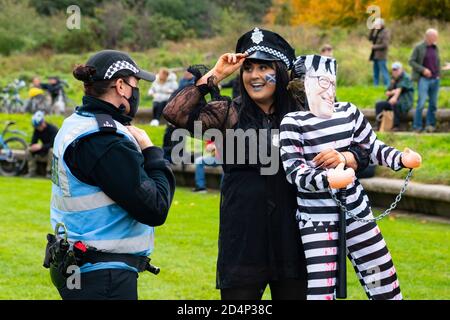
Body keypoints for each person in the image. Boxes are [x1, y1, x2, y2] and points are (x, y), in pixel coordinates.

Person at [163, 28, 370, 300]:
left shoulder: (307, 114)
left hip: (296, 235)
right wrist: (216, 74)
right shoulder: (228, 113)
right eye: (248, 68)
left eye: (264, 67)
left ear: (281, 72)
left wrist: (346, 157)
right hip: (244, 238)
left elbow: (362, 147)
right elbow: (175, 113)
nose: (255, 76)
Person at [280, 54, 422, 300]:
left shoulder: (349, 112)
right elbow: (294, 172)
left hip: (357, 212)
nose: (328, 89)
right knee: (322, 288)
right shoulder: (292, 122)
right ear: (303, 85)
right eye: (321, 82)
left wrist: (400, 159)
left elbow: (371, 147)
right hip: (316, 218)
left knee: (381, 277)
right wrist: (327, 180)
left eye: (331, 82)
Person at [48, 50, 175, 300]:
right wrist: (152, 152)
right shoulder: (105, 141)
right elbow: (155, 207)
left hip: (81, 266)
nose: (137, 92)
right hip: (103, 276)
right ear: (121, 86)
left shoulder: (75, 124)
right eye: (135, 84)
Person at [409, 28, 448, 133]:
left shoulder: (436, 47)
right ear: (428, 36)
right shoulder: (419, 47)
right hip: (423, 79)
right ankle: (417, 126)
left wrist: (439, 74)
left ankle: (430, 125)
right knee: (421, 103)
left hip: (435, 79)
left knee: (433, 104)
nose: (436, 38)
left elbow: (436, 62)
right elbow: (411, 61)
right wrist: (423, 70)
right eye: (434, 36)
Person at [374, 62, 414, 131]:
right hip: (393, 101)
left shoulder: (406, 77)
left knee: (395, 103)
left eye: (397, 69)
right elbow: (387, 92)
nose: (395, 71)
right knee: (379, 105)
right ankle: (379, 125)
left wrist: (394, 97)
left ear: (401, 69)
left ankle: (396, 126)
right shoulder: (393, 79)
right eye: (394, 70)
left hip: (405, 102)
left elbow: (399, 89)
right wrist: (392, 90)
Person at [25, 111, 58, 178]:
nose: (37, 128)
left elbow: (53, 144)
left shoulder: (52, 129)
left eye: (38, 126)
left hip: (52, 150)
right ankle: (32, 171)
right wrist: (32, 146)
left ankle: (49, 172)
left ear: (42, 123)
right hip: (43, 149)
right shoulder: (37, 130)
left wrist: (41, 146)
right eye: (36, 127)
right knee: (28, 150)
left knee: (51, 150)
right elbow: (33, 142)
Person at [369, 18, 390, 87]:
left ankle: (388, 86)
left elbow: (385, 45)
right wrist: (372, 29)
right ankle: (375, 86)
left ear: (381, 24)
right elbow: (370, 38)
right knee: (375, 72)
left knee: (384, 72)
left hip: (381, 56)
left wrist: (374, 47)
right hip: (375, 55)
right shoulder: (377, 31)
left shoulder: (385, 32)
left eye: (377, 24)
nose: (376, 26)